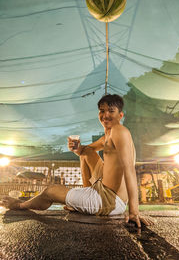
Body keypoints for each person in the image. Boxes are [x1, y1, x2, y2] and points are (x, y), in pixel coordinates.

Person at [0, 94, 152, 228]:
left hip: (109, 201)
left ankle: (19, 205)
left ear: (120, 115)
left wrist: (134, 212)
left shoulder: (120, 131)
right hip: (102, 190)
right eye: (102, 110)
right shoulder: (108, 135)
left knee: (50, 191)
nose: (105, 115)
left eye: (111, 111)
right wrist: (76, 147)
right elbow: (84, 151)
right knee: (87, 152)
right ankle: (84, 197)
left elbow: (129, 169)